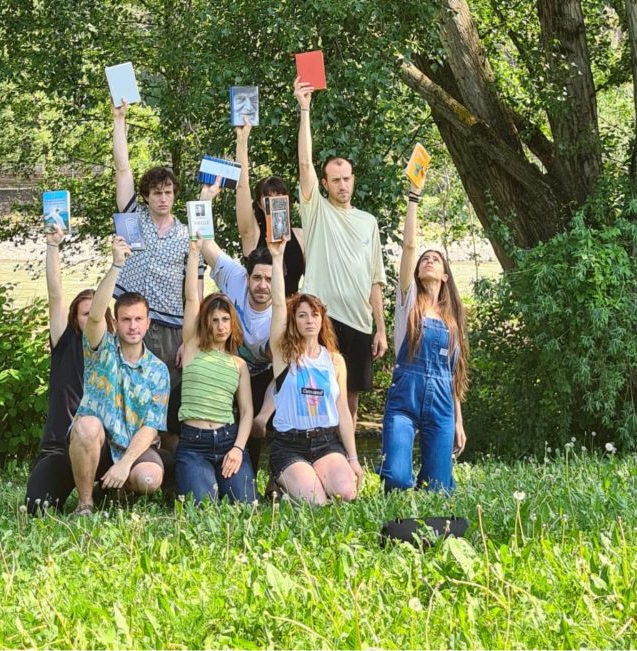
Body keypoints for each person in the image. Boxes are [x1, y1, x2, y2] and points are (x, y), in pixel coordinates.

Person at [112, 100, 205, 452]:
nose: (162, 198)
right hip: (131, 321)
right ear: (147, 196)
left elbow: (194, 292)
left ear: (174, 195)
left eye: (168, 192)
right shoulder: (133, 220)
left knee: (167, 405)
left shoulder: (187, 235)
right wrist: (119, 120)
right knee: (129, 395)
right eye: (156, 193)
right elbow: (122, 170)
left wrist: (190, 339)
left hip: (171, 329)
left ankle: (165, 472)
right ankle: (126, 462)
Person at [293, 77, 387, 425]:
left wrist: (380, 328)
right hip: (324, 319)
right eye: (335, 179)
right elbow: (305, 165)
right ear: (326, 183)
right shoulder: (316, 211)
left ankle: (348, 466)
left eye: (347, 178)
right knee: (318, 393)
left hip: (361, 324)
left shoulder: (368, 222)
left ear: (353, 180)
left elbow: (376, 280)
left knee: (350, 401)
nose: (342, 184)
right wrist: (305, 108)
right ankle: (318, 460)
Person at [67, 236, 171, 516]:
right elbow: (95, 315)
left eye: (139, 319)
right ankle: (86, 503)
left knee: (150, 480)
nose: (133, 326)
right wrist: (116, 265)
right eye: (126, 319)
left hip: (133, 450)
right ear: (117, 321)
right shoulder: (101, 349)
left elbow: (151, 427)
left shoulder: (158, 371)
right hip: (97, 446)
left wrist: (125, 463)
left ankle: (120, 490)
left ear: (148, 323)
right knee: (87, 427)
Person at [378, 181, 469, 493]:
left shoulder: (453, 321)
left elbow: (453, 375)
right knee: (397, 479)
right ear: (417, 271)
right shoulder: (408, 305)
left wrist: (458, 421)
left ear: (445, 275)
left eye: (436, 259)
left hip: (442, 405)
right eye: (424, 259)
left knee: (439, 489)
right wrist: (413, 198)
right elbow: (409, 247)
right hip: (406, 399)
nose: (428, 261)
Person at [23, 222, 114, 514]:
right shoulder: (64, 343)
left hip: (101, 449)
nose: (91, 318)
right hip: (59, 449)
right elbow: (56, 296)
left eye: (96, 313)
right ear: (75, 318)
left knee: (124, 500)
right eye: (85, 313)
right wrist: (52, 246)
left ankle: (100, 493)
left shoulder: (114, 350)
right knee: (37, 508)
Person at [266, 236, 363, 504]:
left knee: (346, 493)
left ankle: (317, 475)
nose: (309, 320)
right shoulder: (284, 355)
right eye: (302, 315)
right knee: (316, 503)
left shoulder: (334, 361)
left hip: (326, 443)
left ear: (322, 320)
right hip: (289, 444)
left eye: (315, 315)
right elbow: (277, 305)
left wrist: (352, 458)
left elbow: (343, 410)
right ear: (293, 321)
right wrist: (277, 257)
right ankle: (282, 481)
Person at [174, 232, 257, 504]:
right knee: (202, 506)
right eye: (215, 320)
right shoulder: (192, 347)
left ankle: (230, 469)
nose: (221, 326)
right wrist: (195, 252)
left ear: (232, 324)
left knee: (245, 505)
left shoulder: (239, 364)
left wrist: (237, 449)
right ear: (206, 323)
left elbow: (246, 412)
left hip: (227, 441)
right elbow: (191, 300)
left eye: (225, 320)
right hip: (193, 444)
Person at [233, 120, 305, 295]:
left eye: (279, 196)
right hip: (261, 316)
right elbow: (242, 187)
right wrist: (242, 141)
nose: (274, 203)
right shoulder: (253, 234)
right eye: (268, 198)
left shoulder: (301, 236)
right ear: (259, 203)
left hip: (292, 316)